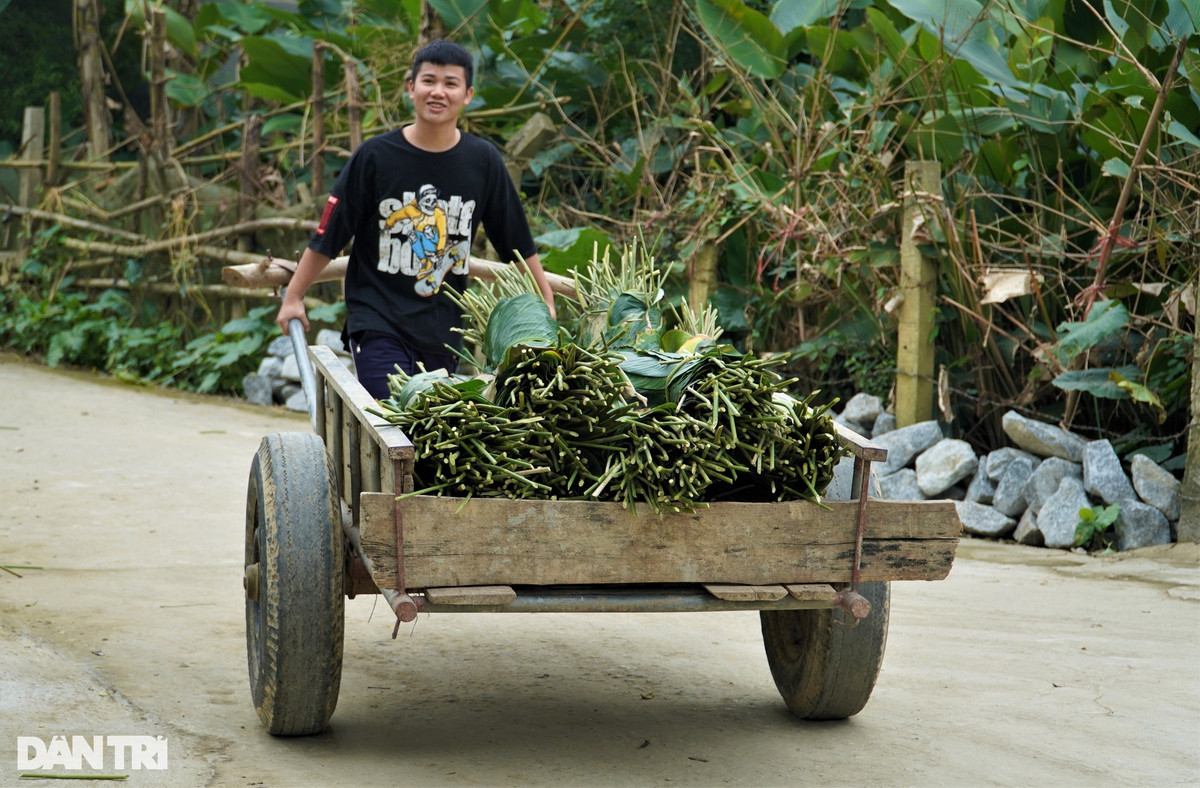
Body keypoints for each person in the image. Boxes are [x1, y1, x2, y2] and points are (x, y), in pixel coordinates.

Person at [275, 38, 556, 399]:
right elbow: (329, 234)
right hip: (377, 320)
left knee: (425, 437)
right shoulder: (375, 157)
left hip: (443, 331)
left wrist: (545, 303)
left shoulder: (483, 162)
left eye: (450, 83)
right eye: (428, 81)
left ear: (467, 94)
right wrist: (294, 296)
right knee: (391, 421)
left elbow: (515, 242)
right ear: (411, 88)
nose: (438, 91)